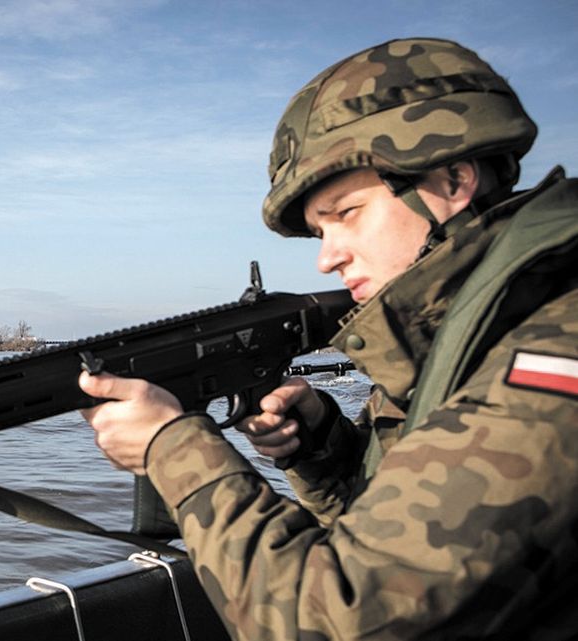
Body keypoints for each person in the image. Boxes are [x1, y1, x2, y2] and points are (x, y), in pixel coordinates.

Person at [79, 37, 578, 639]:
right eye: (319, 230)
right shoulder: (463, 340)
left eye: (347, 213)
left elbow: (335, 622)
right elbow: (391, 536)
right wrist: (320, 448)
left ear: (452, 180)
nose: (328, 258)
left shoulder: (553, 343)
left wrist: (171, 446)